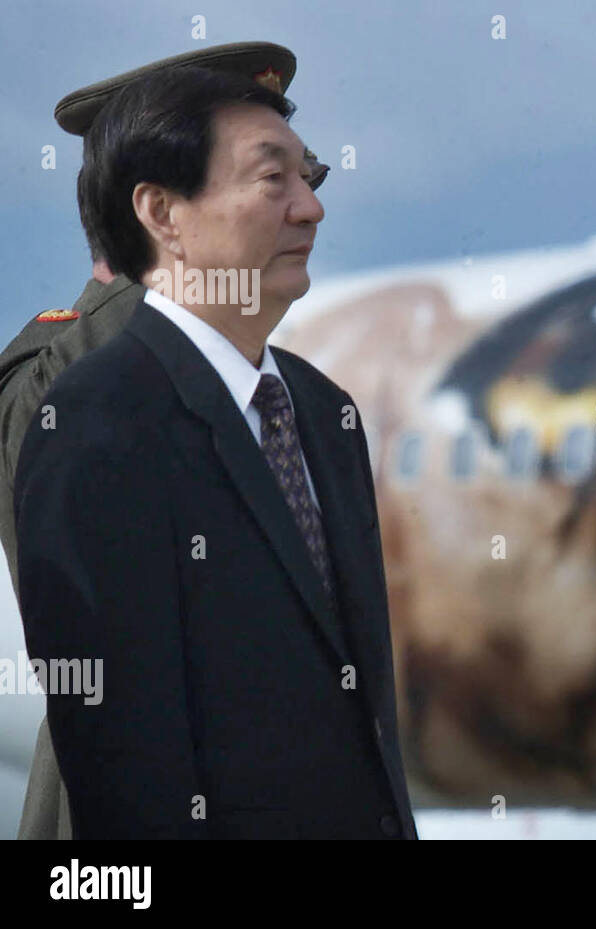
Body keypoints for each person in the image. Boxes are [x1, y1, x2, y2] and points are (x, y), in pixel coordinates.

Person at [14, 64, 414, 838]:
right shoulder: (98, 421)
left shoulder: (325, 412)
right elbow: (119, 758)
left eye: (313, 174)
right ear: (162, 211)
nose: (312, 206)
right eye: (274, 179)